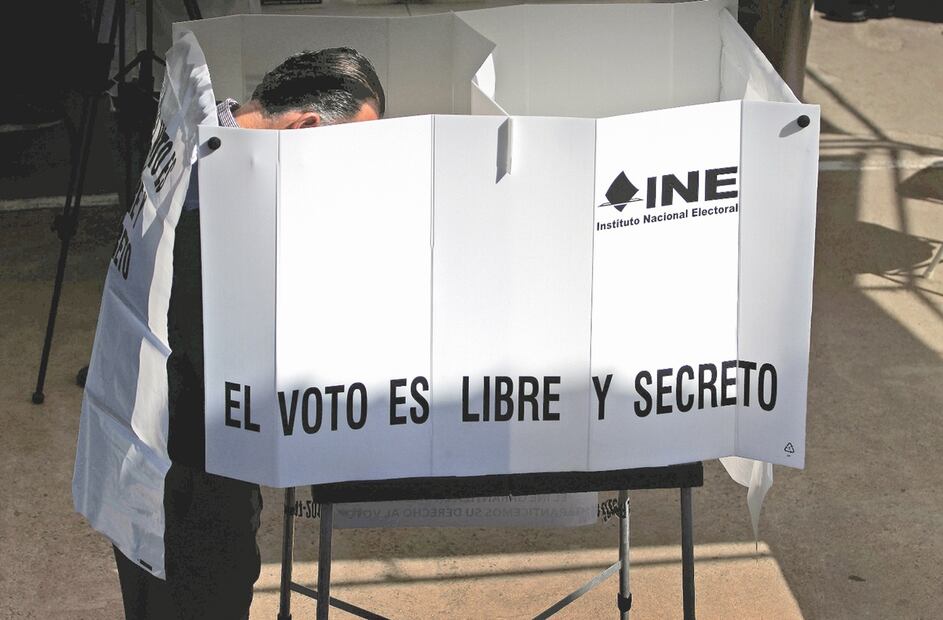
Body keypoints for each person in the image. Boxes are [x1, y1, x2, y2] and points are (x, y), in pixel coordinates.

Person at [112, 47, 385, 620]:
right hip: (187, 475)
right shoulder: (216, 200)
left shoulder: (198, 133)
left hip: (152, 459)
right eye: (352, 154)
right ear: (308, 127)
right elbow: (216, 356)